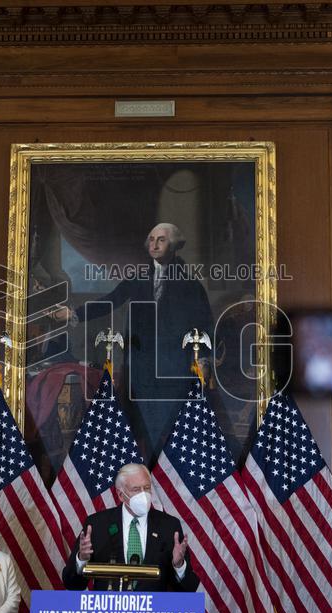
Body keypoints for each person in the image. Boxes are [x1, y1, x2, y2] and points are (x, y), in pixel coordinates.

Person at [53, 222, 214, 455]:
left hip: (174, 370)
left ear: (175, 245)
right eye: (151, 239)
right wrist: (73, 313)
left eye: (161, 239)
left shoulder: (191, 285)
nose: (154, 244)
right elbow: (111, 300)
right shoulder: (138, 279)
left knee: (170, 435)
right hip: (141, 369)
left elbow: (205, 323)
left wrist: (205, 360)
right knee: (142, 435)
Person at [61, 463, 200, 592]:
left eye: (146, 488)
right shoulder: (97, 525)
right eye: (136, 489)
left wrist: (179, 566)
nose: (143, 494)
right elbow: (72, 584)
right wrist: (82, 559)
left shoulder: (169, 526)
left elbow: (189, 588)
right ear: (121, 495)